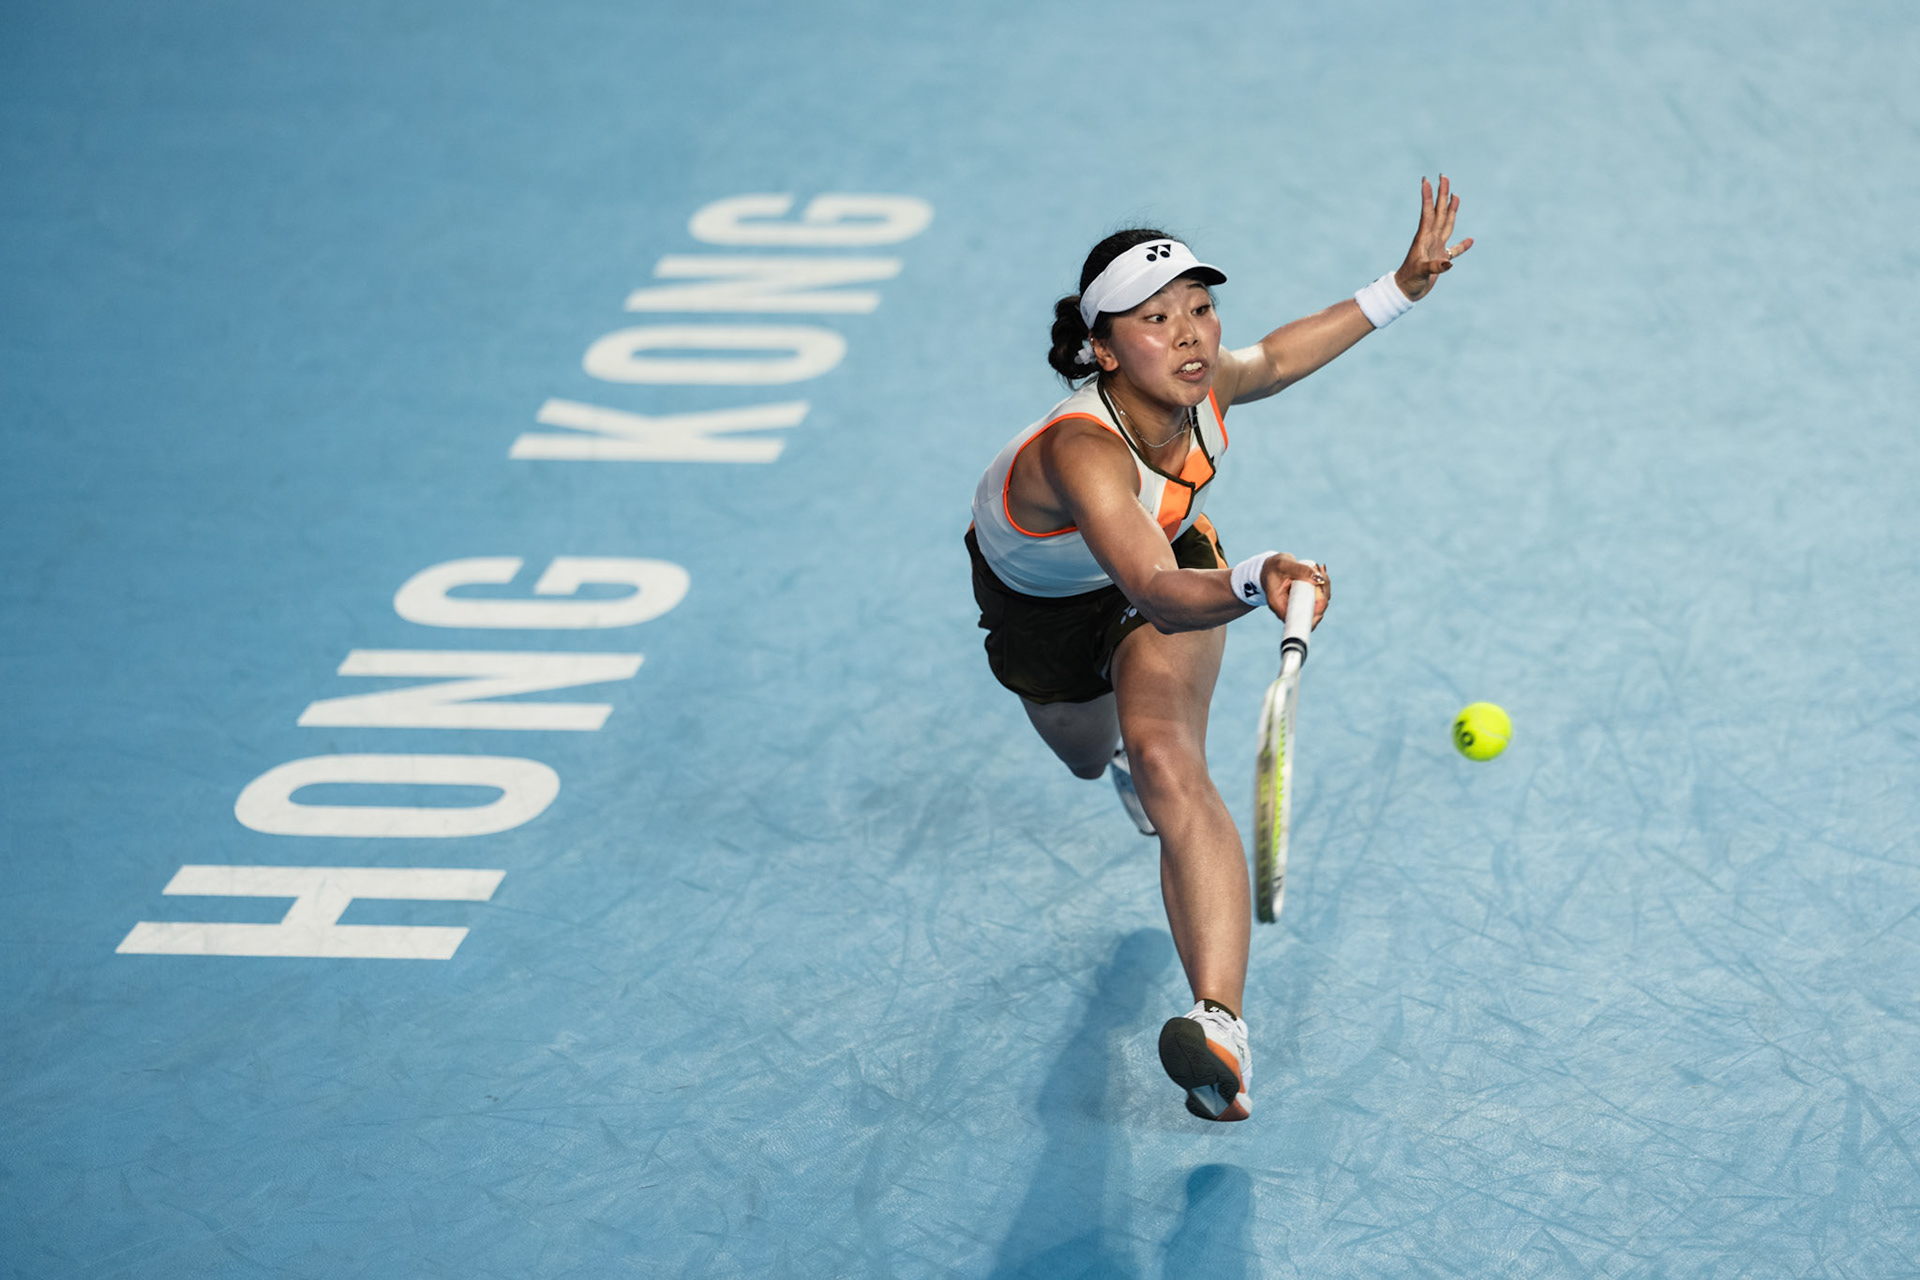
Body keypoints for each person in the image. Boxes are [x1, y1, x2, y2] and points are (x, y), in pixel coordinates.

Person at [966, 177, 1471, 1121]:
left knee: (1172, 764)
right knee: (1088, 755)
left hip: (1170, 577)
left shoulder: (1206, 387)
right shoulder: (1082, 450)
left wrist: (1400, 287)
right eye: (1156, 319)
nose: (1192, 333)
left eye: (1200, 307)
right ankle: (1108, 747)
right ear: (1102, 348)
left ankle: (1220, 1026)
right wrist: (1262, 574)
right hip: (1050, 611)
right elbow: (1148, 586)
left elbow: (1276, 356)